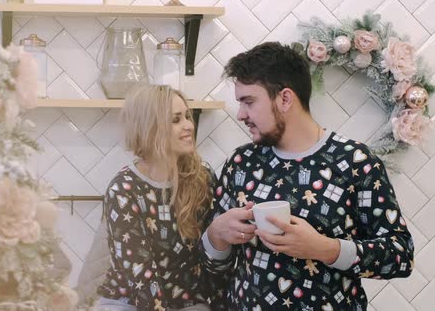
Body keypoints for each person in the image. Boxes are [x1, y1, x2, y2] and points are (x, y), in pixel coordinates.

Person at [199, 42, 414, 311]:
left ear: (285, 99)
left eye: (249, 102)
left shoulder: (355, 162)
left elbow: (400, 256)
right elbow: (213, 269)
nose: (241, 114)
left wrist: (326, 248)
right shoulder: (241, 163)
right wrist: (216, 234)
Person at [96, 85, 226, 310]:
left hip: (189, 299)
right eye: (176, 120)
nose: (188, 125)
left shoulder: (202, 177)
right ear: (150, 128)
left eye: (187, 116)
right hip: (132, 302)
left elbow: (211, 255)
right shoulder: (124, 189)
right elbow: (141, 278)